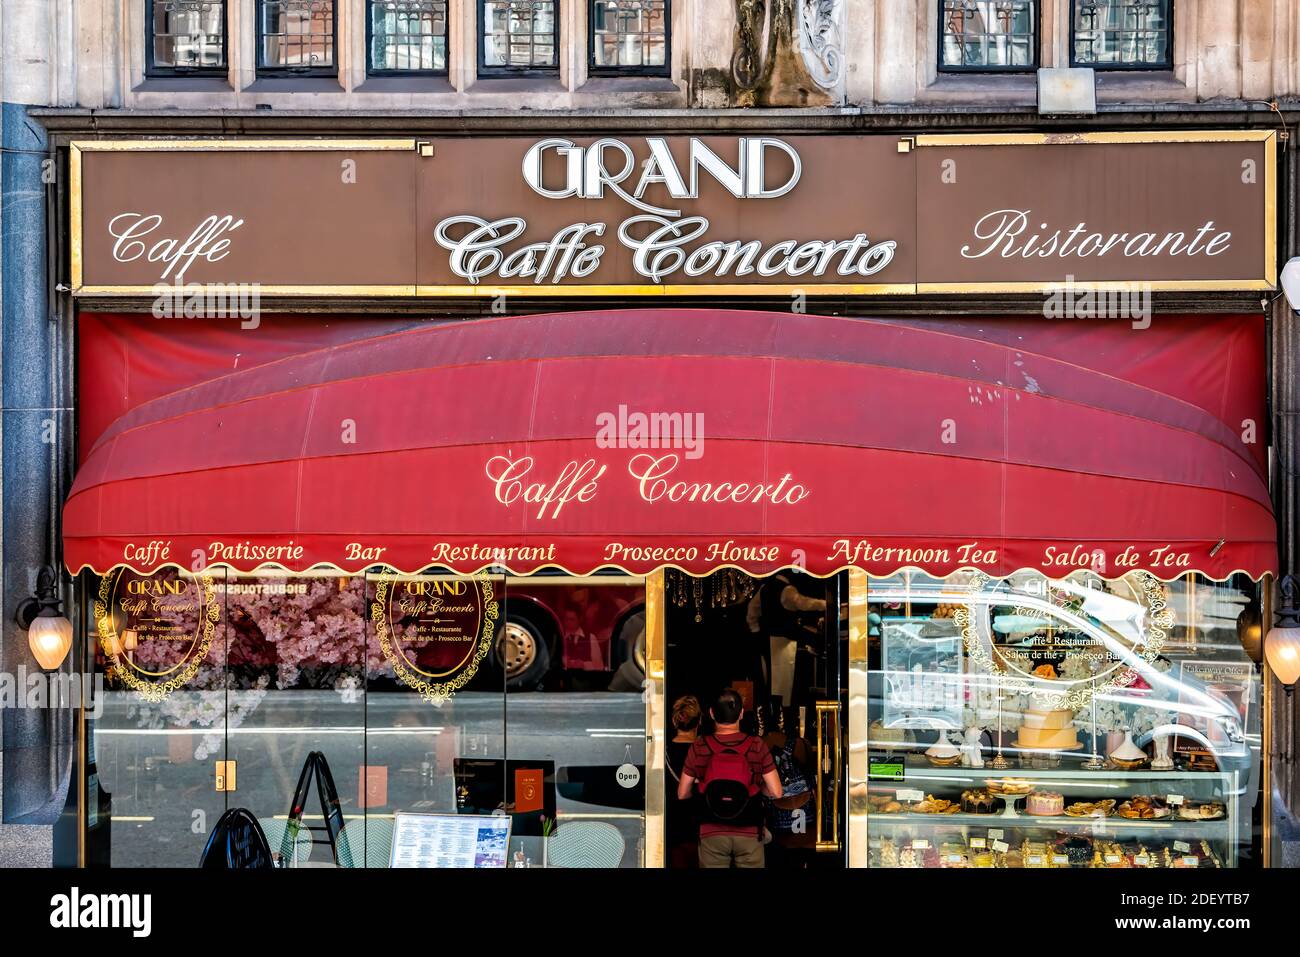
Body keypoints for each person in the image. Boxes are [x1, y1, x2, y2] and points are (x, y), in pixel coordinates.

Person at [676, 689, 782, 868]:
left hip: (711, 831)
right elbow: (776, 792)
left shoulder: (699, 746)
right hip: (749, 830)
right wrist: (757, 787)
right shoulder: (757, 745)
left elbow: (682, 793)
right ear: (741, 714)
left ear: (711, 713)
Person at [665, 695, 702, 868]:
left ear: (674, 721)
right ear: (700, 721)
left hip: (672, 826)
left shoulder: (661, 752)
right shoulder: (706, 752)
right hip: (701, 825)